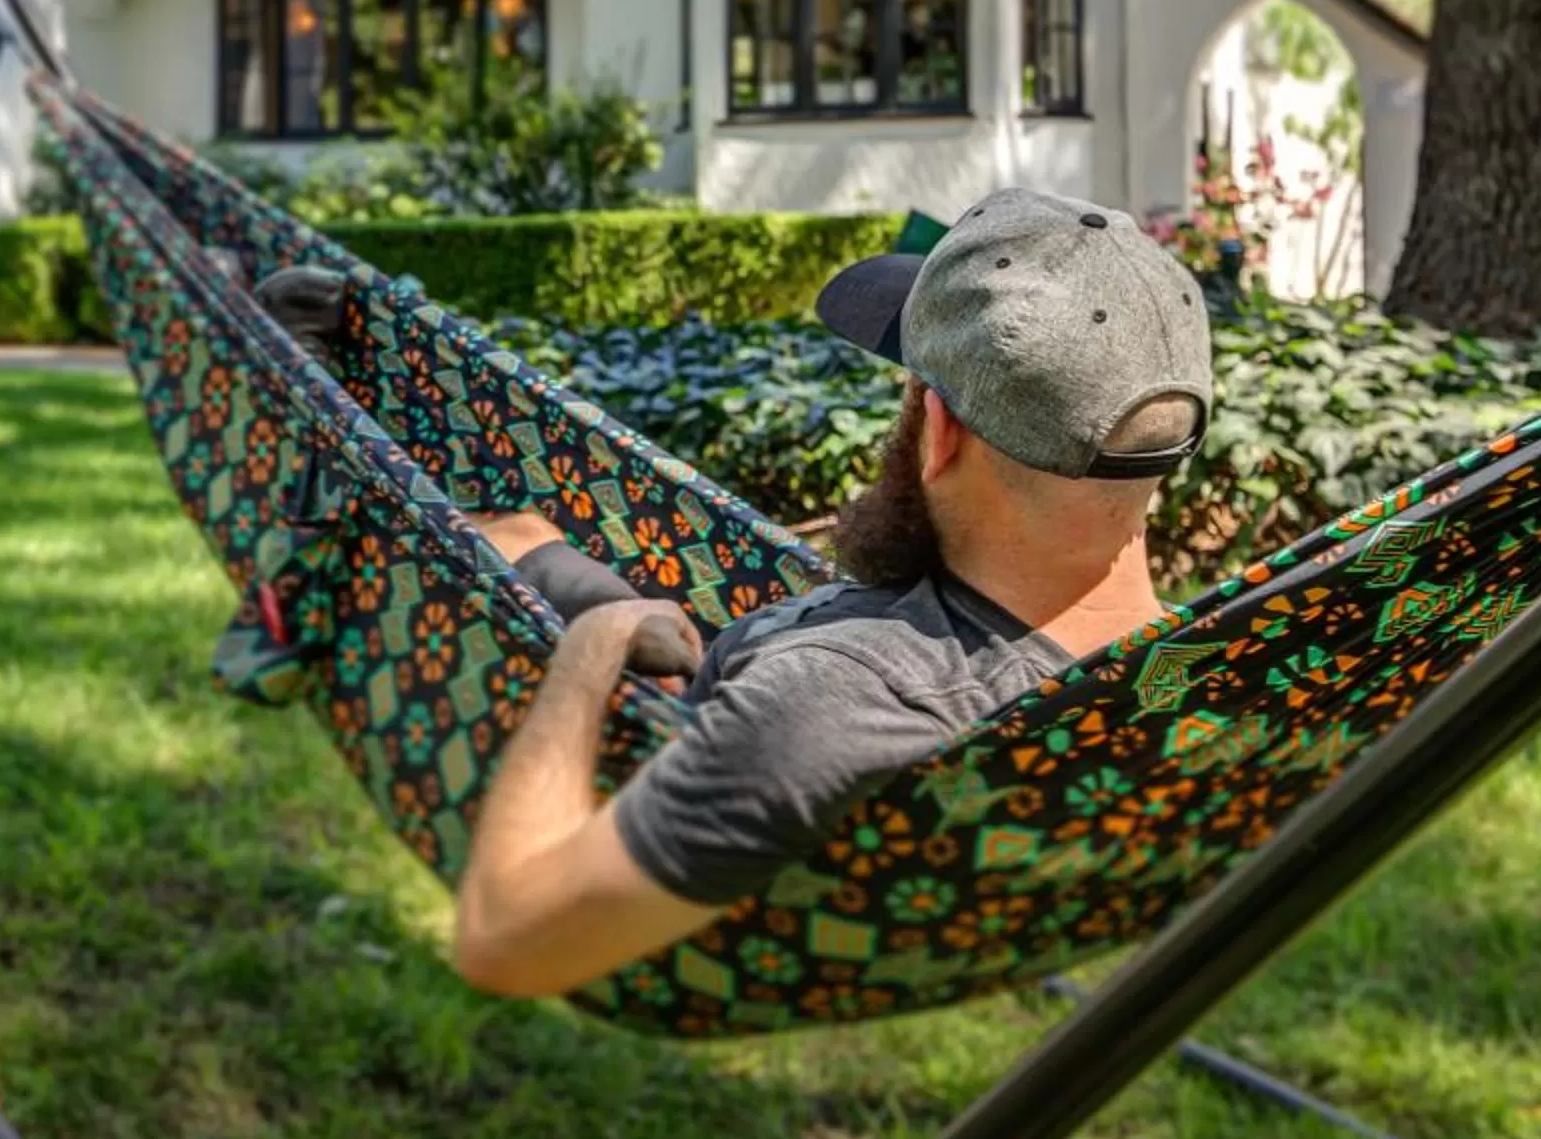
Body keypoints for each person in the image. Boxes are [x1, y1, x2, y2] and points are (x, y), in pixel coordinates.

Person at [441, 187, 1214, 999]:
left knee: (512, 546)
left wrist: (592, 647)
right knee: (529, 540)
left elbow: (502, 938)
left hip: (704, 752)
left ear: (940, 431)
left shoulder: (833, 700)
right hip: (772, 692)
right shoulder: (1195, 674)